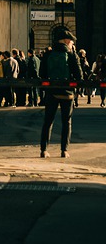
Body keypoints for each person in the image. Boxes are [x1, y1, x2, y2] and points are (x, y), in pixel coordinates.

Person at [39, 25, 82, 159]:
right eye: (70, 41)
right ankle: (64, 150)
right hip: (67, 93)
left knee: (48, 121)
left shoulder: (48, 54)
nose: (72, 43)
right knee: (66, 122)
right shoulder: (71, 55)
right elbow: (79, 75)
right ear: (66, 41)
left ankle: (44, 150)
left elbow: (42, 73)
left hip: (52, 92)